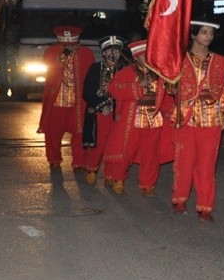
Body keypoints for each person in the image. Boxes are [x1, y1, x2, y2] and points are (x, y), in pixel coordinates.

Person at [168, 21, 224, 222]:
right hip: (185, 118)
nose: (209, 37)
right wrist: (170, 77)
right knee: (184, 162)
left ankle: (205, 206)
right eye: (204, 32)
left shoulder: (222, 61)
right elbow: (169, 88)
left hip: (211, 118)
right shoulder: (179, 60)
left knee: (207, 164)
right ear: (193, 35)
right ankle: (179, 199)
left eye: (211, 33)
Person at [102, 40, 170, 197]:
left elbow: (165, 96)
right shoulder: (127, 72)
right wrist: (138, 86)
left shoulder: (158, 74)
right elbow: (114, 88)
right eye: (145, 56)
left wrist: (170, 111)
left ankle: (147, 184)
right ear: (136, 57)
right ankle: (118, 178)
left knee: (151, 154)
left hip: (154, 120)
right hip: (131, 120)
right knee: (126, 151)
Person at [38, 25, 95, 170]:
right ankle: (54, 159)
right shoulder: (52, 52)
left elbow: (91, 75)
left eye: (72, 45)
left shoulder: (86, 53)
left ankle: (79, 162)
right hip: (57, 101)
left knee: (79, 132)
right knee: (53, 133)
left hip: (79, 102)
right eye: (65, 45)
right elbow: (48, 65)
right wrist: (63, 57)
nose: (69, 47)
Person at [81, 35, 127, 185]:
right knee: (99, 144)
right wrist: (102, 105)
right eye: (110, 50)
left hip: (120, 114)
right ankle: (92, 170)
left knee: (115, 146)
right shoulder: (96, 68)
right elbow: (87, 92)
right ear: (104, 52)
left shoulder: (125, 69)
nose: (113, 54)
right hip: (101, 114)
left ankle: (110, 175)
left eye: (117, 51)